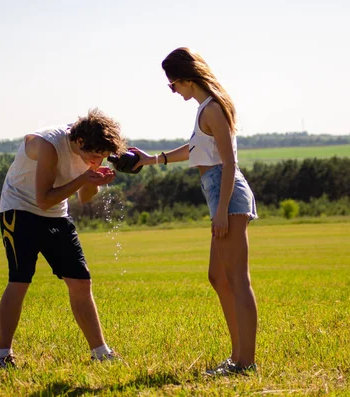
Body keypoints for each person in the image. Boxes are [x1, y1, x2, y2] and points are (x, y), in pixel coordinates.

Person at [131, 47, 258, 375]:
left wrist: (220, 210)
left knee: (238, 280)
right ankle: (237, 357)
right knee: (218, 277)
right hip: (219, 194)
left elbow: (229, 163)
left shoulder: (212, 108)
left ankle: (246, 363)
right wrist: (152, 159)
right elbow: (195, 149)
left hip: (226, 195)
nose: (173, 91)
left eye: (172, 85)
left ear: (186, 79)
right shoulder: (206, 108)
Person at [0, 109, 126, 368]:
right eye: (95, 156)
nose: (98, 161)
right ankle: (2, 355)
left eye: (103, 157)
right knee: (19, 280)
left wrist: (94, 179)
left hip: (56, 215)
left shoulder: (92, 150)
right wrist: (84, 178)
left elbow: (83, 197)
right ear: (79, 142)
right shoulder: (50, 145)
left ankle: (100, 352)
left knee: (81, 282)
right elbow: (44, 199)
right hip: (19, 209)